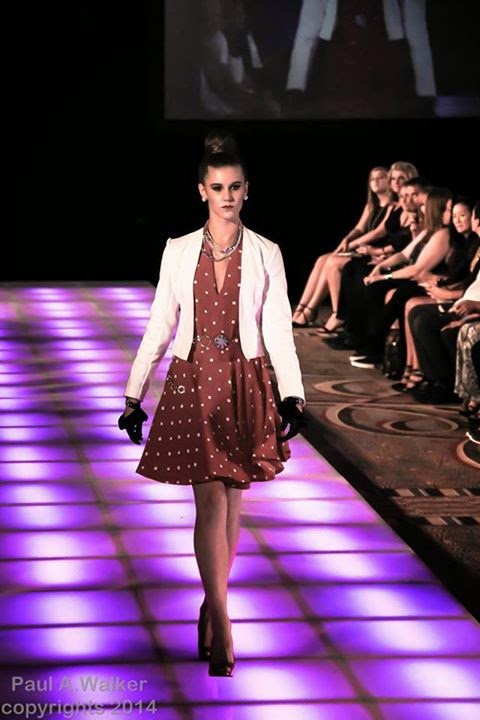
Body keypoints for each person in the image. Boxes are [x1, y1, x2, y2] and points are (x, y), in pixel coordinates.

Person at [118, 133, 305, 677]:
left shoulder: (267, 251)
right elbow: (161, 322)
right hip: (193, 382)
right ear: (202, 190)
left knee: (233, 504)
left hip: (246, 382)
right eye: (218, 187)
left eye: (235, 187)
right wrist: (134, 393)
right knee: (210, 503)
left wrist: (293, 393)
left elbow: (279, 328)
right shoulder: (178, 249)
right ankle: (223, 622)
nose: (227, 196)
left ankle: (211, 602)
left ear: (247, 190)